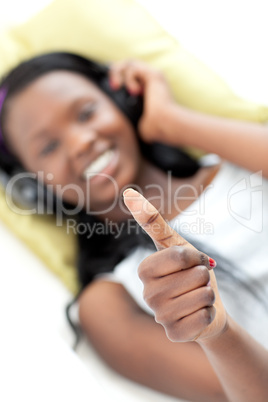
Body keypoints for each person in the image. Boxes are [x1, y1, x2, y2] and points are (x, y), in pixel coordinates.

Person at [0, 52, 267, 402]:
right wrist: (217, 332)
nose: (81, 143)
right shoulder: (110, 301)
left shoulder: (241, 160)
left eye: (86, 113)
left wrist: (169, 120)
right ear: (36, 187)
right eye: (49, 147)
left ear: (121, 104)